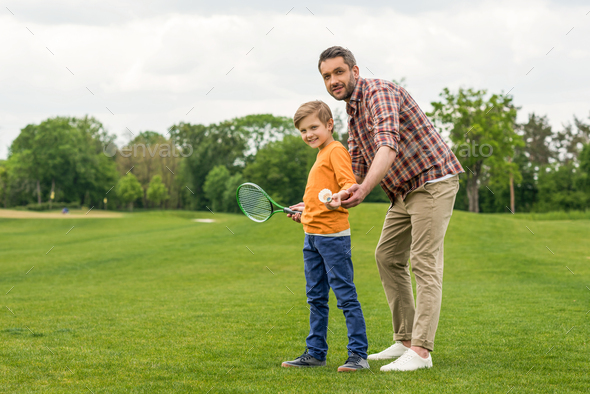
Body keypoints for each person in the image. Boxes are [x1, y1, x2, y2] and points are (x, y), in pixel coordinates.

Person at [289, 46, 464, 372]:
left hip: (433, 181)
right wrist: (313, 204)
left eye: (339, 72)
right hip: (403, 191)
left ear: (355, 72)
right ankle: (405, 339)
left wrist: (366, 189)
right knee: (387, 257)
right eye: (327, 76)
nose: (333, 80)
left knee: (424, 263)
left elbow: (387, 144)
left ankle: (421, 352)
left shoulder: (378, 93)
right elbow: (352, 169)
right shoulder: (353, 115)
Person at [281, 100, 369, 372]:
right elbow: (322, 195)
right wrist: (305, 209)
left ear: (330, 125)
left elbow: (348, 185)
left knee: (345, 296)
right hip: (312, 237)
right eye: (303, 130)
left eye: (313, 127)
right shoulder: (321, 154)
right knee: (316, 297)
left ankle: (358, 355)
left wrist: (339, 199)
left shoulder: (335, 150)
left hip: (333, 238)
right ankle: (315, 353)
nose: (308, 134)